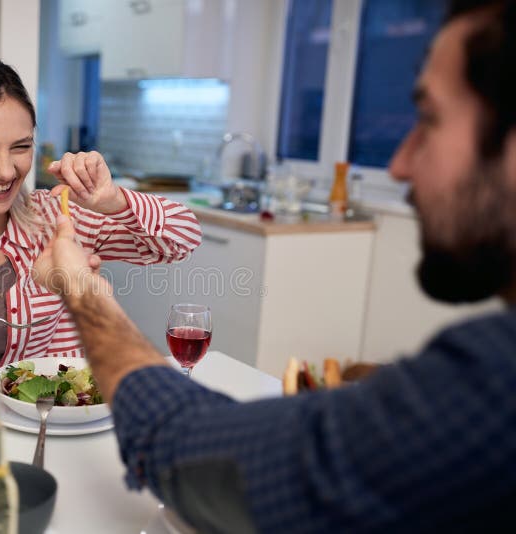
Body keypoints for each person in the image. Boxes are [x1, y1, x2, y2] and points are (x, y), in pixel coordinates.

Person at [31, 0, 516, 531]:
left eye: (429, 119)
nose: (398, 163)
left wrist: (82, 287)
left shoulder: (491, 381)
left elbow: (197, 455)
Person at [0, 59, 202, 389]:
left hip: (56, 424)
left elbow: (183, 240)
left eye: (21, 147)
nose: (6, 170)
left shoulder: (61, 218)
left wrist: (113, 201)